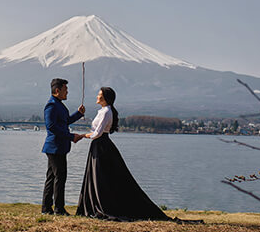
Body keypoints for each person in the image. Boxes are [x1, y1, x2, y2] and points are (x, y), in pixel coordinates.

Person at [76, 87, 170, 221]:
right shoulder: (103, 111)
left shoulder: (107, 111)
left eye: (99, 95)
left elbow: (97, 133)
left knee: (100, 176)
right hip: (99, 145)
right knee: (98, 176)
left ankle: (102, 205)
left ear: (105, 98)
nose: (97, 96)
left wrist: (82, 136)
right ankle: (95, 204)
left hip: (101, 146)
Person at [41, 78, 85, 215]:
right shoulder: (51, 105)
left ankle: (47, 208)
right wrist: (71, 137)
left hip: (58, 147)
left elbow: (64, 122)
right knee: (60, 177)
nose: (67, 92)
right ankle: (58, 209)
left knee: (52, 177)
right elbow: (52, 127)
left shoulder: (58, 104)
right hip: (55, 147)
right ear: (57, 90)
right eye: (65, 90)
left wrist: (79, 114)